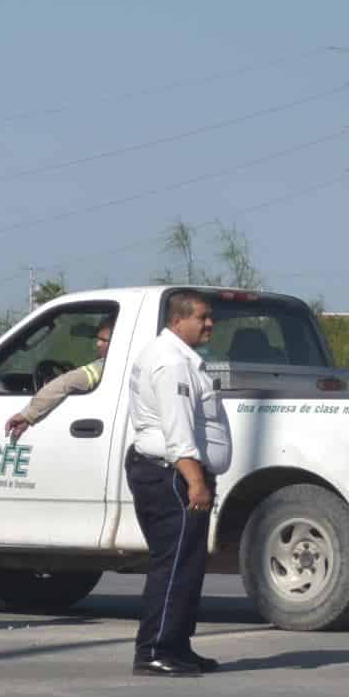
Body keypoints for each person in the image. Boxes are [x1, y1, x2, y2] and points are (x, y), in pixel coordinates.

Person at [122, 288, 230, 676]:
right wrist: (195, 482)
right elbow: (178, 429)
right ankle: (154, 650)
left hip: (173, 472)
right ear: (177, 320)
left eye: (209, 317)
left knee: (187, 566)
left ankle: (177, 646)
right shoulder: (171, 363)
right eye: (202, 317)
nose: (209, 324)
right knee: (173, 566)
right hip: (171, 475)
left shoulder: (180, 357)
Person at [5, 310, 113, 440]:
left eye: (103, 340)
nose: (98, 343)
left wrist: (27, 415)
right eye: (97, 338)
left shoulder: (105, 365)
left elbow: (67, 382)